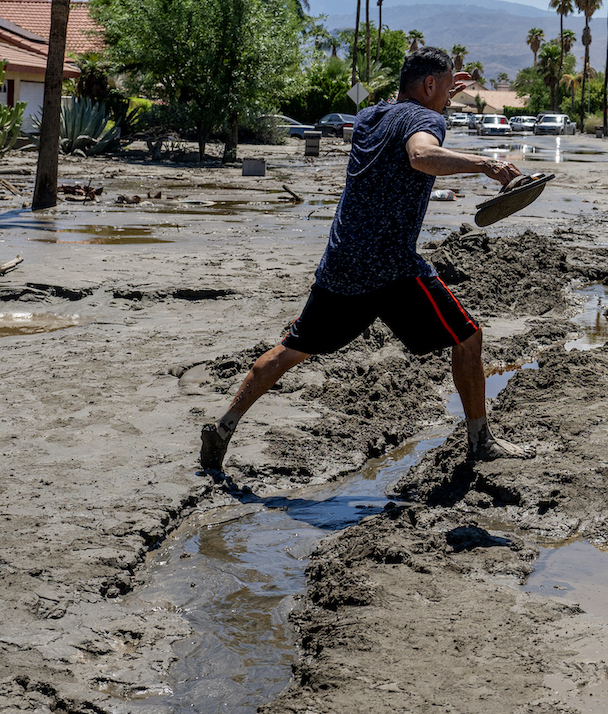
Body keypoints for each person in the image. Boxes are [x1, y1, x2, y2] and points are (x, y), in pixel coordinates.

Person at [200, 46, 527, 472]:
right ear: (429, 85)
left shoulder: (372, 115)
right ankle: (480, 441)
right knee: (468, 339)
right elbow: (421, 155)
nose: (450, 95)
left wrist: (442, 87)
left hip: (342, 263)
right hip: (391, 267)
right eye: (446, 87)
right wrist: (484, 164)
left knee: (292, 348)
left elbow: (405, 118)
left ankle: (223, 428)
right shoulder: (427, 119)